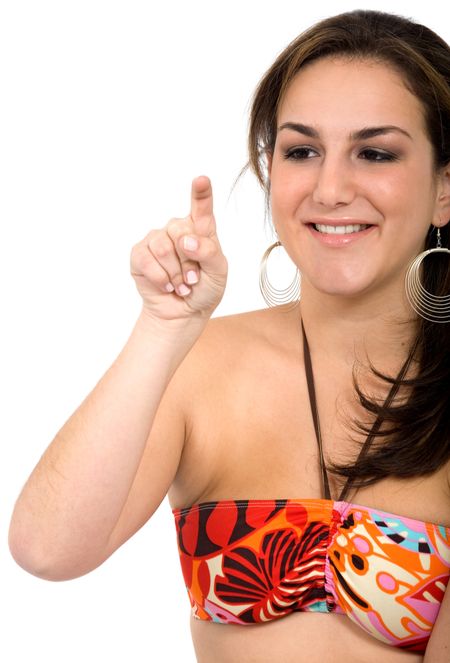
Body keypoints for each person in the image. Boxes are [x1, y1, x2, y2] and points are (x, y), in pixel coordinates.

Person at [8, 8, 450, 662]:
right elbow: (47, 549)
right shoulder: (202, 363)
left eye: (375, 152)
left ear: (445, 190)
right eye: (302, 151)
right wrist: (166, 326)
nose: (330, 189)